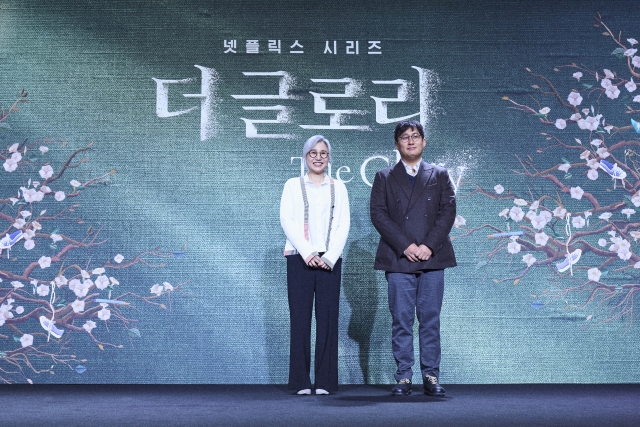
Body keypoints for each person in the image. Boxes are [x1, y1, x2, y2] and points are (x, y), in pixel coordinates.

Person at [369, 120, 457, 397]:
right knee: (402, 319)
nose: (410, 141)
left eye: (415, 136)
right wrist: (406, 245)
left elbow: (447, 212)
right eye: (404, 137)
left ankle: (431, 376)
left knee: (430, 319)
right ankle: (404, 378)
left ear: (424, 142)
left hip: (432, 257)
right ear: (396, 144)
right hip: (398, 258)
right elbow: (379, 215)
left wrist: (428, 246)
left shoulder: (439, 174)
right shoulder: (384, 176)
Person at [280, 135, 350, 395]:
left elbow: (343, 224)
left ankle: (325, 381)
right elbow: (287, 220)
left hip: (330, 260)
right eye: (313, 153)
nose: (318, 157)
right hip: (299, 258)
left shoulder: (338, 187)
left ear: (329, 158)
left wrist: (330, 257)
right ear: (305, 156)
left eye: (323, 153)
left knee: (328, 320)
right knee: (300, 319)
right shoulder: (292, 185)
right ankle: (300, 381)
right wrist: (308, 252)